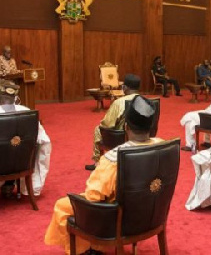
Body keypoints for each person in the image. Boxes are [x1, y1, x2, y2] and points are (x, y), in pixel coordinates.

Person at [45, 96, 164, 255]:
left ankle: (85, 250)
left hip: (120, 220)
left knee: (62, 206)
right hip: (152, 213)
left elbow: (93, 197)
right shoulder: (165, 147)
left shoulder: (114, 159)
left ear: (126, 127)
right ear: (151, 125)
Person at [86, 74, 141, 171]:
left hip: (121, 138)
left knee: (98, 129)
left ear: (125, 87)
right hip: (141, 135)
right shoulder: (146, 101)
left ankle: (97, 163)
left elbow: (107, 124)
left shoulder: (119, 102)